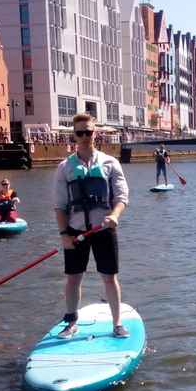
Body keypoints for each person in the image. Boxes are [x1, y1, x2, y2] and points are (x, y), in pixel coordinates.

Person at [53, 113, 130, 339]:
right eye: (80, 133)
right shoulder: (64, 167)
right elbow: (59, 204)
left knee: (109, 277)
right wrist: (63, 235)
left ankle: (117, 324)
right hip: (76, 232)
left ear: (95, 133)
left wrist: (115, 214)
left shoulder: (110, 163)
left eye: (89, 131)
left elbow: (122, 196)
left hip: (104, 230)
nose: (85, 136)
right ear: (74, 136)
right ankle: (71, 323)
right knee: (73, 278)